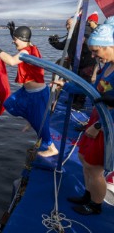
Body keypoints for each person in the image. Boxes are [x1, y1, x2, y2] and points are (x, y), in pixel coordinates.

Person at [53, 24, 114, 215]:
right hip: (98, 117)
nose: (94, 56)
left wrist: (98, 126)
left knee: (94, 167)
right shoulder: (108, 67)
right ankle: (88, 195)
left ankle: (95, 205)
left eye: (96, 51)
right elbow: (92, 91)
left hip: (107, 124)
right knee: (82, 157)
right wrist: (67, 86)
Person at [0, 22, 59, 157]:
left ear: (23, 39)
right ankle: (31, 118)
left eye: (15, 39)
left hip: (37, 94)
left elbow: (12, 61)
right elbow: (22, 45)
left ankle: (52, 148)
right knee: (9, 104)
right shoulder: (30, 46)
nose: (14, 42)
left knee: (40, 125)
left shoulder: (26, 51)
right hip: (26, 91)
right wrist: (13, 34)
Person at [48, 16, 97, 110]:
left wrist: (84, 40)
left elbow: (90, 43)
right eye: (66, 24)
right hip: (76, 63)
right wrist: (54, 42)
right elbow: (63, 46)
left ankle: (79, 103)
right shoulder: (71, 35)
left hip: (86, 63)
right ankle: (74, 100)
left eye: (69, 24)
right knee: (75, 82)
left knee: (83, 82)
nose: (67, 26)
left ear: (77, 23)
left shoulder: (84, 32)